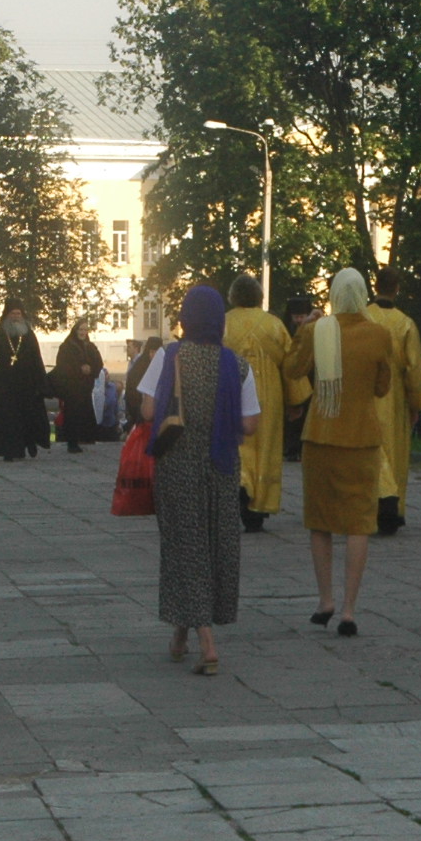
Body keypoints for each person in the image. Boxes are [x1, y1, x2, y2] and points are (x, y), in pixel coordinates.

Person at [139, 287, 261, 675]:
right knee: (211, 547)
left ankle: (207, 644)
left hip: (177, 468)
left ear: (186, 319)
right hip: (221, 469)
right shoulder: (237, 365)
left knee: (184, 548)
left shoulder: (168, 356)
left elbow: (147, 410)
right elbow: (250, 424)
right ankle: (180, 636)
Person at [287, 269, 394, 635]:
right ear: (363, 295)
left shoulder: (319, 331)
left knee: (320, 522)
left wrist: (306, 328)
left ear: (333, 295)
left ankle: (325, 600)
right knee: (358, 524)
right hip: (361, 439)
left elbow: (292, 368)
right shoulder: (379, 334)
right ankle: (349, 610)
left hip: (321, 436)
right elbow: (382, 387)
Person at [364, 268, 421, 536]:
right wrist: (416, 403)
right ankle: (394, 505)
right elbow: (414, 369)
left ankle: (374, 503)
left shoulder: (362, 318)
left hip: (365, 395)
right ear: (397, 289)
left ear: (375, 286)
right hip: (395, 399)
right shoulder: (405, 324)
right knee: (395, 453)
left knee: (369, 450)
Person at [223, 275, 292, 532]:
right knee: (267, 448)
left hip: (232, 392)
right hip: (269, 396)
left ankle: (241, 483)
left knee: (239, 444)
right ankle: (259, 505)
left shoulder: (224, 323)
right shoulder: (274, 325)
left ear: (233, 296)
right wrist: (296, 400)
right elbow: (290, 364)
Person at [0, 302, 50, 460]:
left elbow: (37, 360)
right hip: (6, 384)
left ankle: (29, 443)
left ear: (22, 316)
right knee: (9, 419)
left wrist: (41, 383)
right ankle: (9, 451)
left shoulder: (29, 336)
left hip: (27, 384)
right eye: (12, 314)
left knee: (27, 417)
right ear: (6, 316)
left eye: (18, 314)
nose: (16, 317)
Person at [51, 321, 106, 452]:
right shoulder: (66, 347)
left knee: (85, 414)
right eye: (80, 330)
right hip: (72, 387)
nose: (82, 333)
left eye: (85, 330)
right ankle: (72, 443)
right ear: (75, 331)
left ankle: (86, 439)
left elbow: (99, 363)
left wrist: (90, 369)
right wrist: (79, 369)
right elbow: (62, 366)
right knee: (72, 415)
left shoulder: (91, 347)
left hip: (86, 388)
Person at [280, 295, 319, 464]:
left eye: (301, 316)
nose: (298, 320)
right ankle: (291, 448)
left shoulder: (314, 329)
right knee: (291, 419)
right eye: (296, 317)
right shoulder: (285, 330)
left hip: (310, 377)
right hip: (291, 379)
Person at [124, 336, 163, 432]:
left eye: (156, 352)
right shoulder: (141, 366)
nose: (153, 355)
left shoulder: (143, 364)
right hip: (141, 411)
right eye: (151, 351)